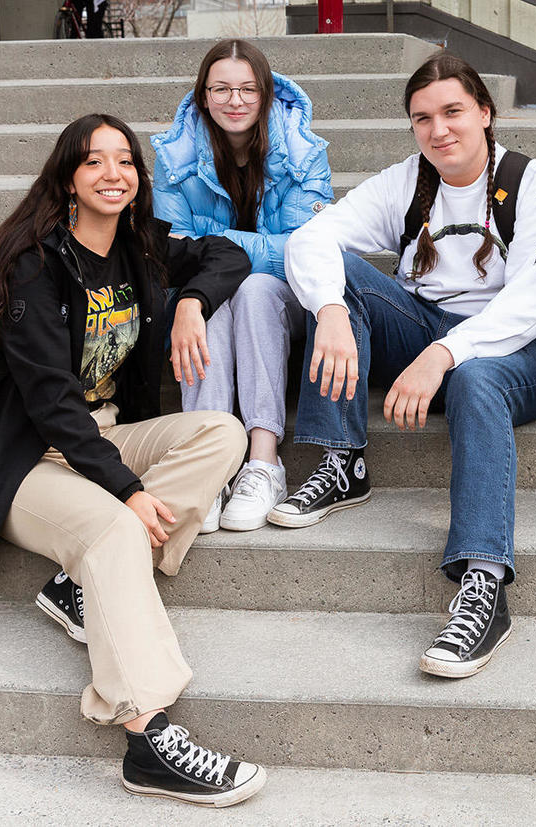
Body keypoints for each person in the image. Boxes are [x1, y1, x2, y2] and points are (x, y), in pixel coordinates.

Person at [0, 114, 268, 805]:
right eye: (95, 161)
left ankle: (85, 585)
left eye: (125, 160)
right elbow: (51, 404)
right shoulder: (32, 265)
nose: (113, 173)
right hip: (26, 461)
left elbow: (229, 255)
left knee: (222, 433)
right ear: (68, 177)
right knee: (114, 527)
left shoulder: (142, 247)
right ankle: (146, 735)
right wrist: (128, 490)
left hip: (102, 439)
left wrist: (192, 301)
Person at [271, 53, 536, 679]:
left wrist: (443, 354)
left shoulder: (534, 185)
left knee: (476, 377)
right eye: (422, 118)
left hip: (516, 357)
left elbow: (526, 307)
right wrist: (326, 308)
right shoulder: (409, 182)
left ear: (486, 114)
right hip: (425, 334)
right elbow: (310, 239)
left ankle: (484, 583)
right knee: (340, 275)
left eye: (453, 112)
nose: (439, 131)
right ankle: (341, 460)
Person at [151, 38, 334, 532]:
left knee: (249, 289)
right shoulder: (174, 159)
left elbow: (303, 251)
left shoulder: (303, 154)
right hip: (206, 297)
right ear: (203, 95)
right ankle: (208, 466)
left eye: (249, 89)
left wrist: (221, 249)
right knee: (213, 298)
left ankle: (264, 462)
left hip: (283, 298)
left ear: (267, 93)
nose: (236, 101)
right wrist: (213, 274)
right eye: (223, 89)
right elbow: (171, 251)